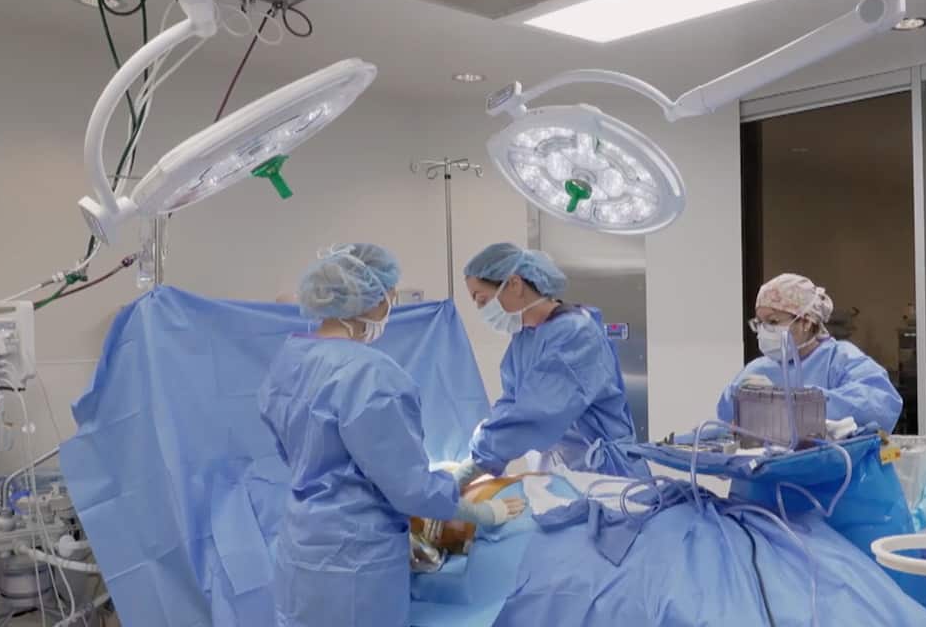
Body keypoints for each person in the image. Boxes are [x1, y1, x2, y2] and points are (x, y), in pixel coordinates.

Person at [259, 243, 524, 627]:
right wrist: (481, 511)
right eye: (389, 294)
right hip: (357, 556)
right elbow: (409, 486)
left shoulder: (291, 359)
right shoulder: (370, 374)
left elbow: (301, 453)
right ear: (371, 299)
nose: (391, 302)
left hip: (302, 545)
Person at [455, 242, 645, 483]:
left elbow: (536, 413)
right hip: (561, 473)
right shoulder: (525, 337)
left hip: (603, 476)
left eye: (482, 300)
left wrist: (481, 460)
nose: (482, 310)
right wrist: (481, 445)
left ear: (514, 284)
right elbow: (512, 402)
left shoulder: (575, 334)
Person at [719, 273, 902, 433]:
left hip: (834, 469)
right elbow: (726, 419)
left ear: (806, 322)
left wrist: (797, 401)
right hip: (772, 470)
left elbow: (881, 406)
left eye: (773, 322)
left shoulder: (839, 359)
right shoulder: (759, 369)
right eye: (760, 323)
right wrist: (741, 397)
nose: (764, 331)